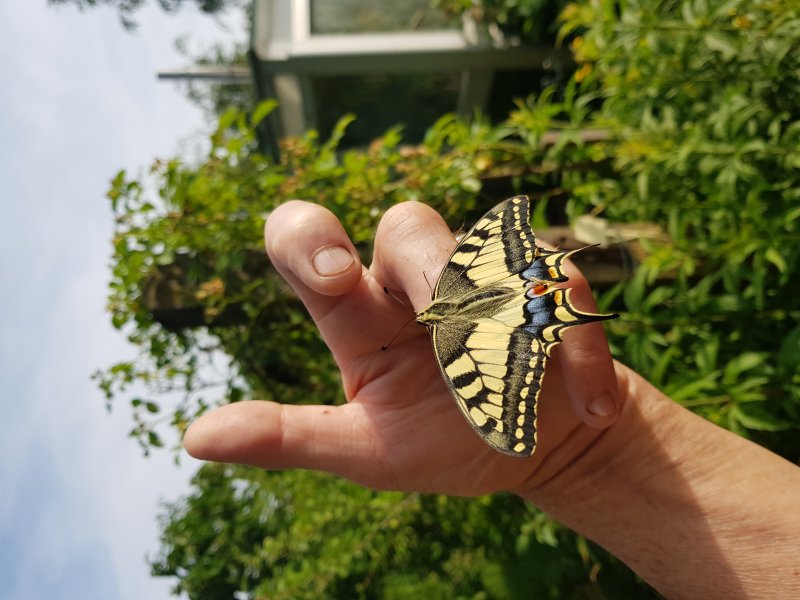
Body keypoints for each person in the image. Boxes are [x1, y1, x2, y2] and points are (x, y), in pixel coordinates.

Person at [185, 200, 800, 599]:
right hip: (508, 302)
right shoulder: (447, 339)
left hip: (496, 315)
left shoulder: (453, 349)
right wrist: (593, 457)